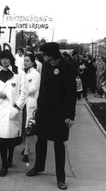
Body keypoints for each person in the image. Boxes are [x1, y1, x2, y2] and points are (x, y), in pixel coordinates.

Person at [26, 42, 76, 190]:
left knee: (59, 145)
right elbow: (43, 88)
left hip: (60, 113)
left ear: (52, 55)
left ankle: (61, 178)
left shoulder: (67, 67)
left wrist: (70, 115)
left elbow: (71, 93)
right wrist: (38, 106)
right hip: (44, 111)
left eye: (44, 54)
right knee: (40, 140)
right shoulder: (46, 66)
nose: (42, 57)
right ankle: (38, 167)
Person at [0, 50, 28, 177]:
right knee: (2, 139)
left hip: (12, 109)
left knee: (10, 137)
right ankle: (4, 165)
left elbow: (24, 92)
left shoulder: (19, 73)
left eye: (6, 58)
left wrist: (17, 107)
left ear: (11, 59)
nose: (4, 61)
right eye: (2, 59)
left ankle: (10, 157)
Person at [22, 53, 40, 163]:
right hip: (22, 103)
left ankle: (27, 151)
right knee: (23, 126)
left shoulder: (36, 74)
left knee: (29, 127)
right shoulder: (22, 72)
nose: (25, 62)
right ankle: (26, 147)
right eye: (24, 60)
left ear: (33, 62)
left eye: (28, 61)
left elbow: (33, 89)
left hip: (30, 102)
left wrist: (21, 91)